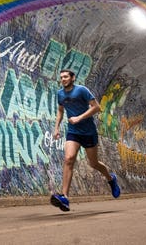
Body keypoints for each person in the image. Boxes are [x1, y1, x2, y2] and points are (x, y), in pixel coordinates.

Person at [50, 69, 120, 212]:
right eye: (61, 77)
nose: (63, 79)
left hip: (88, 132)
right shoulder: (60, 94)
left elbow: (97, 107)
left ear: (73, 78)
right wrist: (56, 128)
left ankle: (111, 179)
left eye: (66, 77)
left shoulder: (82, 90)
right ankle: (64, 197)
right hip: (73, 132)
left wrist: (79, 118)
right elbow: (61, 111)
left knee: (93, 163)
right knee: (69, 159)